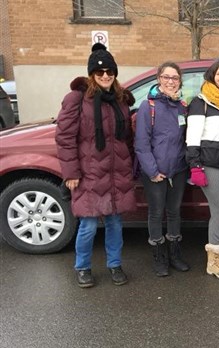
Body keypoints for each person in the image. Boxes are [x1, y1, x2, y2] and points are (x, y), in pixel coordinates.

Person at [55, 43, 136, 288]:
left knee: (115, 224)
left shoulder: (121, 100)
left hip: (115, 172)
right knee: (88, 225)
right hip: (89, 172)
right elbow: (65, 137)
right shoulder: (77, 99)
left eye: (109, 72)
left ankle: (114, 264)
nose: (105, 76)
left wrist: (129, 165)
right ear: (92, 74)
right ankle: (83, 267)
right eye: (100, 72)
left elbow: (126, 138)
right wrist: (71, 172)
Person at [186, 60, 219, 280]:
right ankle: (213, 260)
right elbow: (192, 137)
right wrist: (195, 166)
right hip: (209, 163)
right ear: (211, 77)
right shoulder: (201, 102)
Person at [135, 61, 190, 277]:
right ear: (159, 79)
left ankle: (175, 254)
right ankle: (159, 255)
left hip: (178, 170)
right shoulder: (148, 106)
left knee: (175, 212)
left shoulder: (182, 107)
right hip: (155, 172)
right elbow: (141, 143)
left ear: (179, 82)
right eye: (166, 77)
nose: (170, 81)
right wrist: (152, 171)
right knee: (156, 213)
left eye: (174, 78)